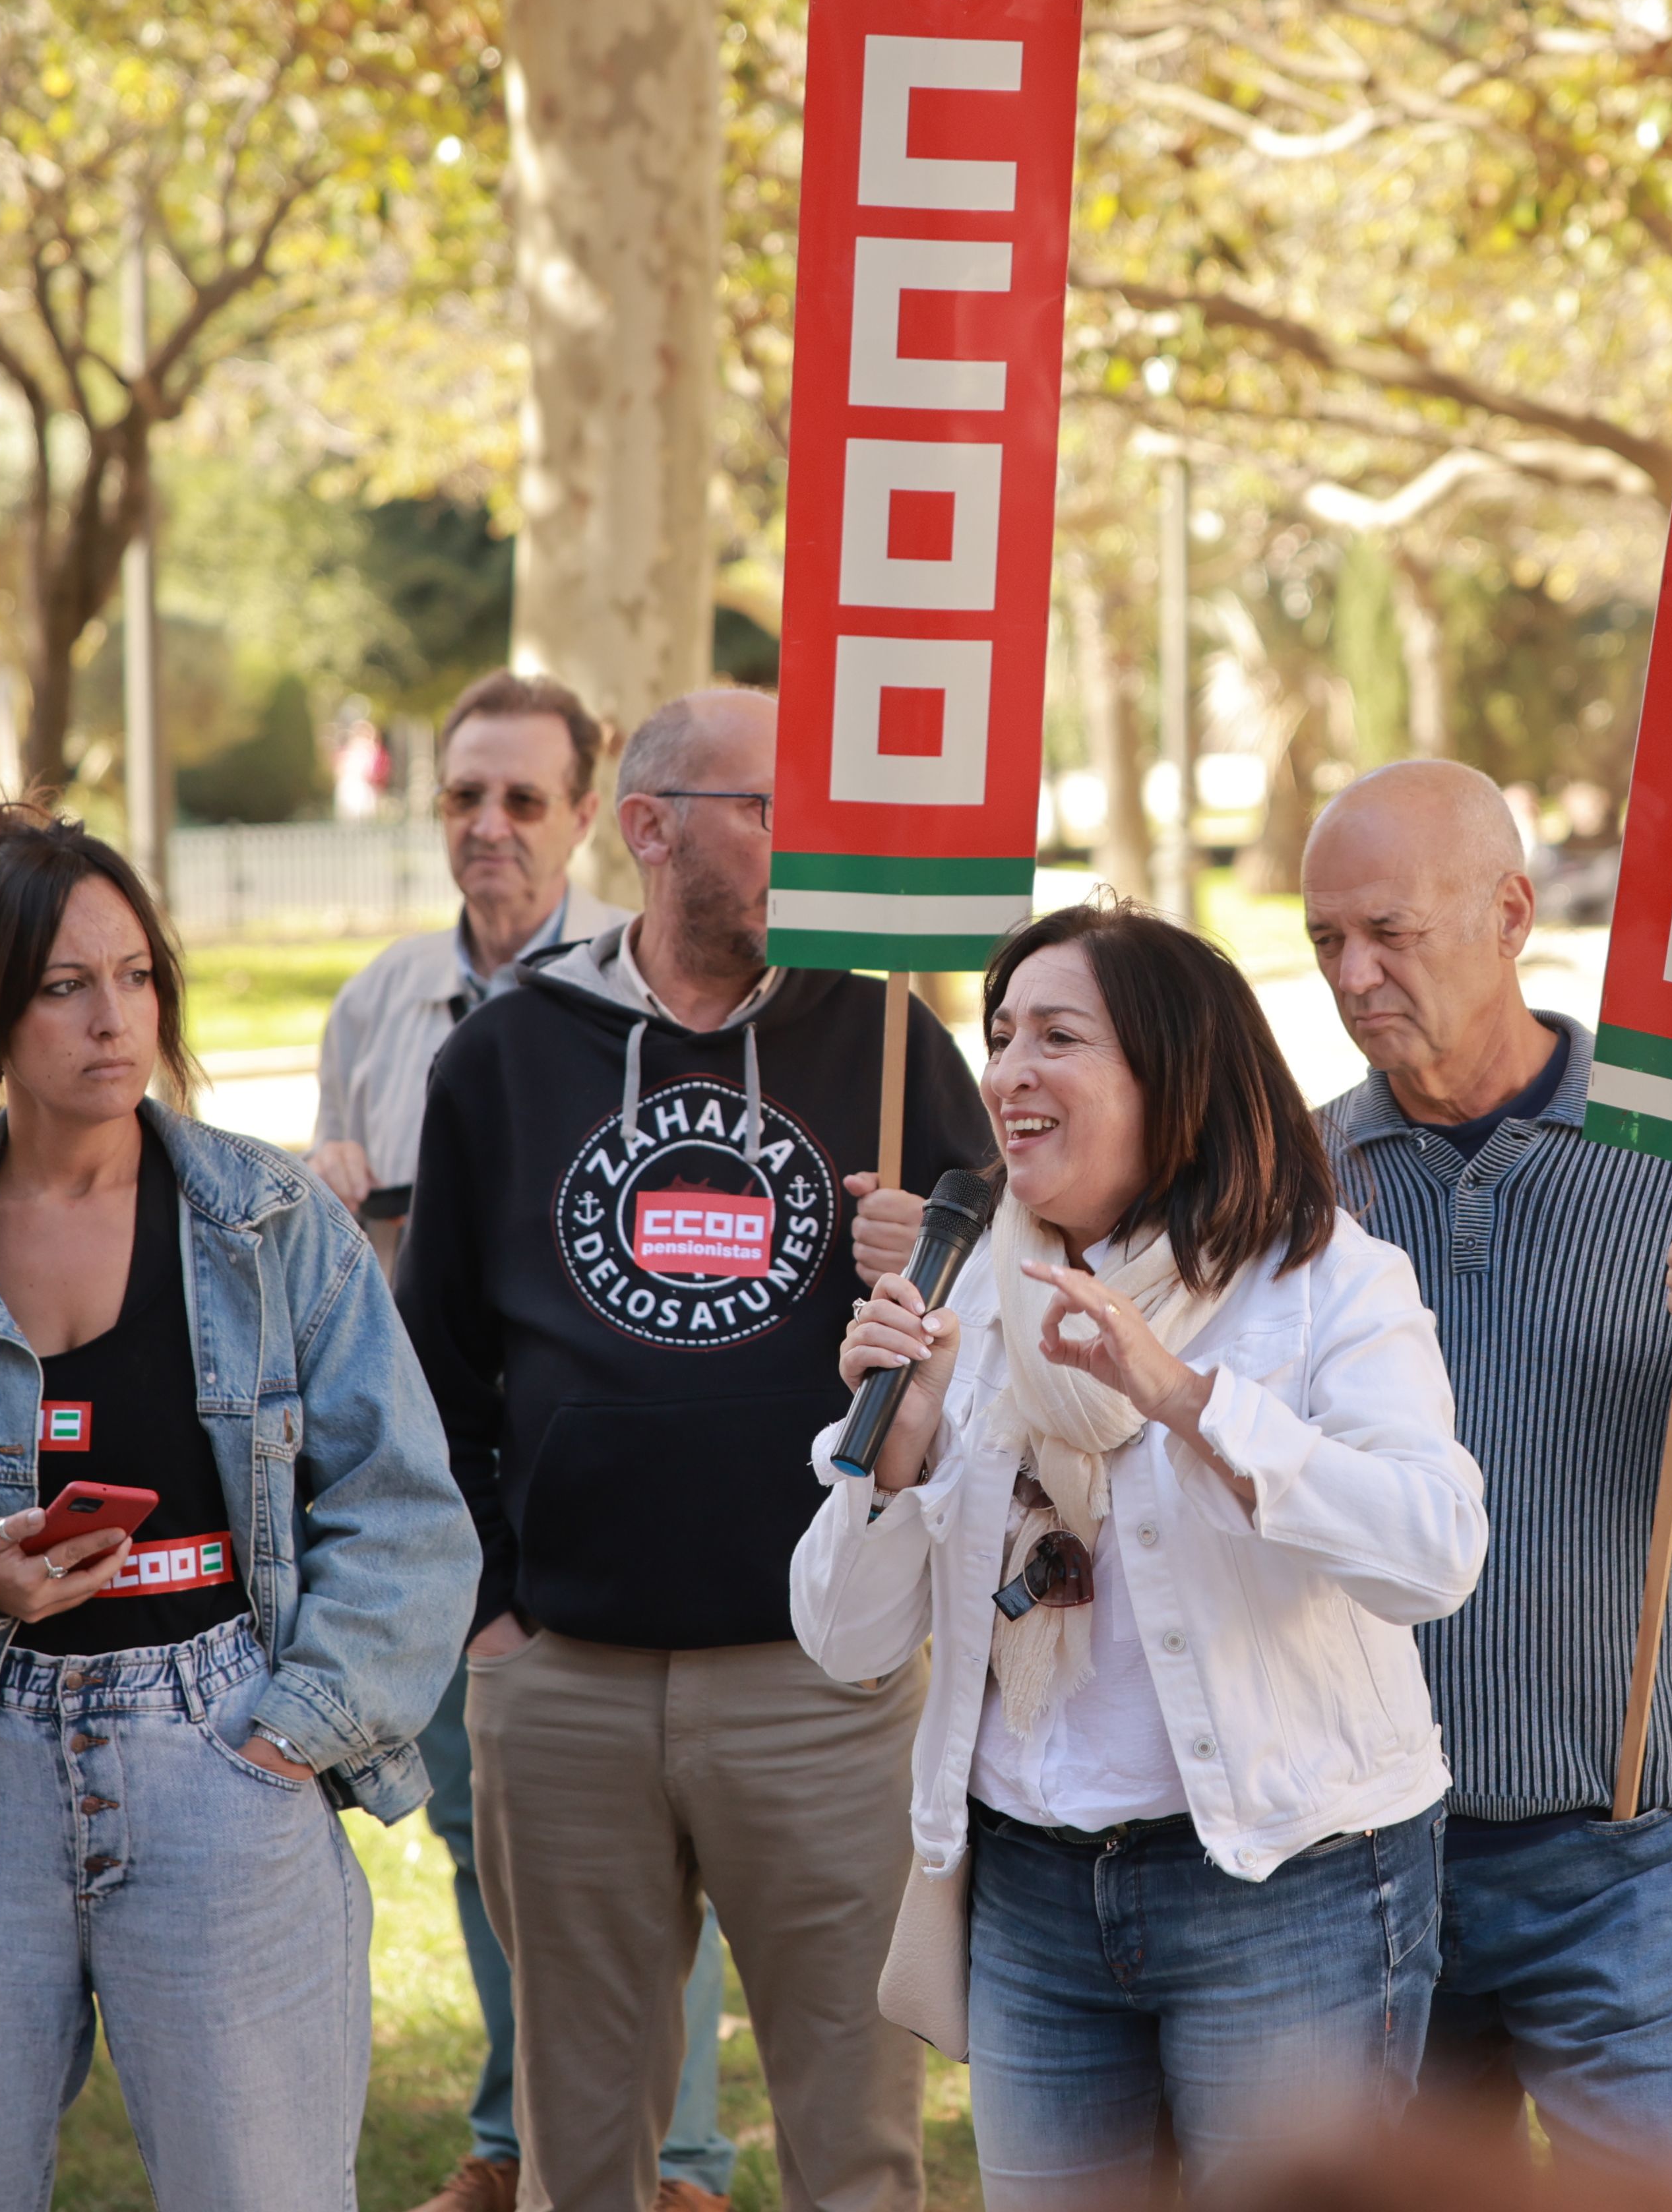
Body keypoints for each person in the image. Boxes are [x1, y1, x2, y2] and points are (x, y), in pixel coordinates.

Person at [0, 803, 476, 2211]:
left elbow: (404, 1506)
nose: (114, 1020)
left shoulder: (271, 1223)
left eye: (136, 975)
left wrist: (295, 1733)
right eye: (64, 986)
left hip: (223, 1752)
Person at [793, 900, 1489, 2212]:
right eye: (1002, 1036)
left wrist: (1187, 1399)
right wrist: (898, 1454)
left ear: (1176, 1078)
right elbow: (844, 1640)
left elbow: (1431, 1556)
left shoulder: (1323, 1281)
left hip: (1283, 1884)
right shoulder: (969, 1290)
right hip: (1033, 1891)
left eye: (1059, 1037)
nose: (1009, 1072)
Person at [402, 689, 997, 2212]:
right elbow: (433, 1367)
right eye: (772, 812)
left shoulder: (884, 1039)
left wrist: (929, 1261)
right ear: (652, 828)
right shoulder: (507, 1058)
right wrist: (495, 1615)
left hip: (822, 1681)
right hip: (567, 1681)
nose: (814, 845)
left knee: (856, 2139)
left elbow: (1002, 1320)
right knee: (580, 2141)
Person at [1300, 762, 1672, 2188]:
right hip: (1360, 1850)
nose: (1356, 975)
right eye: (1327, 940)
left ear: (1511, 915)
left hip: (1623, 1856)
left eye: (1391, 931)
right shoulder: (1301, 1183)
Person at [307, 671, 737, 2212]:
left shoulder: (644, 989)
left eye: (523, 798)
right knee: (484, 1829)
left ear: (589, 816)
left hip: (589, 1484)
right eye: (464, 796)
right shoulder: (379, 1001)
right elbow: (351, 1274)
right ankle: (512, 2143)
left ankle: (676, 2162)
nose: (489, 826)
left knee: (649, 1842)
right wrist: (325, 1196)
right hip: (421, 1483)